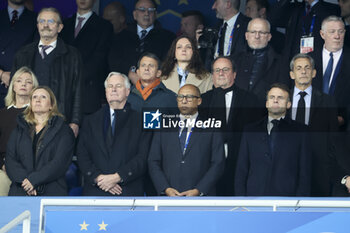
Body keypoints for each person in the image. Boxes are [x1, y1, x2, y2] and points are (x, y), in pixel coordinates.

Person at [11, 7, 83, 137]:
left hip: (59, 119)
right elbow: (13, 89)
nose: (45, 25)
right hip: (26, 119)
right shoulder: (23, 53)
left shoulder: (72, 55)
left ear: (60, 27)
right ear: (37, 25)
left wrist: (75, 121)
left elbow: (78, 90)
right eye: (42, 21)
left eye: (50, 21)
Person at [77, 72, 151, 196]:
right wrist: (99, 179)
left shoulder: (141, 120)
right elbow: (82, 154)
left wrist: (118, 177)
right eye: (110, 86)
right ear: (106, 92)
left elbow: (143, 156)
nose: (114, 90)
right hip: (96, 191)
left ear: (127, 91)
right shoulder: (90, 121)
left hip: (128, 191)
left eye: (118, 86)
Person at [200, 56, 262, 196]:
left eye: (225, 69)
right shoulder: (202, 101)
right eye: (217, 70)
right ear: (212, 75)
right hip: (207, 164)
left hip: (239, 162)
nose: (221, 73)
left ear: (234, 74)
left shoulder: (250, 100)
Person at [235, 83, 311, 196]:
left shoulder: (301, 131)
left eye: (280, 97)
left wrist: (299, 204)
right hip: (254, 198)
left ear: (288, 104)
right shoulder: (250, 130)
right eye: (272, 97)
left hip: (288, 200)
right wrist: (241, 202)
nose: (275, 100)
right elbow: (242, 169)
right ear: (266, 103)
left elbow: (304, 172)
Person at [148, 84, 225, 196]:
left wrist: (199, 190)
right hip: (168, 197)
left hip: (201, 199)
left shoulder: (211, 128)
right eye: (180, 97)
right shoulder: (163, 127)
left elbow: (218, 163)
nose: (184, 101)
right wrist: (165, 188)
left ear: (199, 101)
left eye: (189, 97)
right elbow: (153, 161)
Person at [6, 86, 75, 196]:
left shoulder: (64, 131)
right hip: (21, 189)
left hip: (51, 190)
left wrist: (34, 180)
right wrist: (26, 182)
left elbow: (60, 162)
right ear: (31, 103)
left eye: (43, 97)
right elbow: (10, 160)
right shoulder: (19, 129)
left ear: (51, 105)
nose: (38, 100)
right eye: (34, 97)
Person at [289, 53, 338, 196]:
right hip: (287, 168)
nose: (303, 72)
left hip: (320, 169)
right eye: (298, 68)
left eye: (307, 68)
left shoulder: (328, 101)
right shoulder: (282, 100)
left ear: (314, 72)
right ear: (292, 74)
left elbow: (333, 138)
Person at [60, 0, 113, 115]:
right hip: (63, 91)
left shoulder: (104, 26)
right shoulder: (64, 24)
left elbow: (100, 58)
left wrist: (76, 76)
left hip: (88, 90)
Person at [109, 0, 175, 85]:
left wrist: (149, 77)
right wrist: (130, 74)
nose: (146, 13)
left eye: (151, 10)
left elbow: (168, 62)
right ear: (135, 14)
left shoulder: (168, 37)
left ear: (155, 14)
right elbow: (113, 61)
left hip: (155, 86)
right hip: (124, 85)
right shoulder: (120, 37)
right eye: (142, 10)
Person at [0, 66, 38, 196]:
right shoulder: (2, 114)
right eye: (19, 81)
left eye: (28, 82)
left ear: (33, 88)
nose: (23, 84)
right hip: (3, 168)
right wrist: (2, 165)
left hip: (30, 169)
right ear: (13, 86)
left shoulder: (37, 114)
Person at [309, 16, 350, 129]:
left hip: (341, 128)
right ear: (322, 34)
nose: (337, 36)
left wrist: (344, 117)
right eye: (332, 32)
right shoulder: (309, 59)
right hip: (310, 124)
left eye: (341, 32)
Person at [269, 0, 339, 63]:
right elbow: (273, 20)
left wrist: (313, 3)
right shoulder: (295, 7)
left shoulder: (332, 8)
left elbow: (333, 27)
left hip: (318, 63)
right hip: (294, 61)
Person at [233, 18, 285, 104]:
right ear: (246, 36)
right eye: (253, 32)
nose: (257, 36)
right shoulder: (232, 60)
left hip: (265, 112)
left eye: (262, 32)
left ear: (269, 37)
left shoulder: (281, 62)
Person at [0, 0, 37, 108]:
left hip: (22, 93)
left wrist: (16, 78)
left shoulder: (36, 19)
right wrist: (1, 74)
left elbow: (38, 56)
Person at [199, 0, 250, 69]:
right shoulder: (215, 27)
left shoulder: (247, 25)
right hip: (215, 75)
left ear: (228, 4)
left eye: (216, 3)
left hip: (238, 75)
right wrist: (199, 44)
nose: (213, 7)